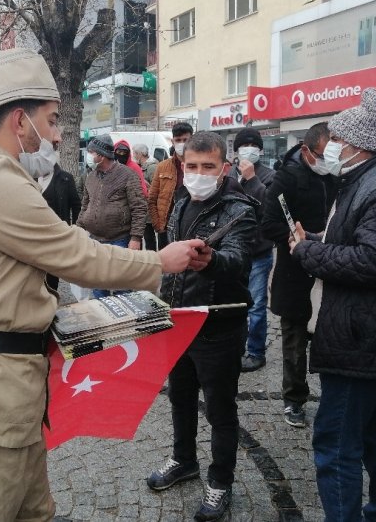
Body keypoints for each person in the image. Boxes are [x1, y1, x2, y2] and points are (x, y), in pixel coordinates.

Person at [0, 48, 207, 522]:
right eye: (50, 120)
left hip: (4, 392)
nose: (57, 134)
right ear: (19, 121)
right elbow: (76, 254)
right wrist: (160, 260)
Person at [289, 88, 376, 521]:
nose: (329, 146)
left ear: (354, 146)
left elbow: (374, 261)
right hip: (365, 332)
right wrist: (316, 240)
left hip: (362, 338)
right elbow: (359, 241)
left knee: (334, 445)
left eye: (334, 138)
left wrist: (307, 254)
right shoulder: (363, 180)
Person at [146, 131, 257, 522]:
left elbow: (238, 260)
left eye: (207, 167)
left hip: (218, 328)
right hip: (178, 323)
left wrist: (212, 261)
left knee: (221, 411)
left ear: (223, 168)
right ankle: (184, 459)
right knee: (180, 398)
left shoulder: (240, 210)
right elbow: (171, 266)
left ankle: (220, 481)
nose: (198, 174)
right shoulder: (179, 204)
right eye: (191, 166)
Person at [260, 122, 335, 428]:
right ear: (307, 151)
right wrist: (298, 239)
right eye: (324, 155)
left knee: (330, 340)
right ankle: (294, 400)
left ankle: (332, 399)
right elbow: (268, 224)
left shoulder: (338, 175)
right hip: (294, 273)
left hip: (330, 271)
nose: (330, 161)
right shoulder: (287, 178)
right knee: (294, 343)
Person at [227, 128, 276, 373]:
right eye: (243, 145)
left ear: (260, 150)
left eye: (253, 145)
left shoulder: (269, 177)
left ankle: (256, 351)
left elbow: (269, 212)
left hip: (259, 252)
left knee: (256, 305)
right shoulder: (228, 177)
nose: (248, 149)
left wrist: (253, 180)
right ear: (235, 151)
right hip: (233, 252)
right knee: (235, 303)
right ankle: (235, 346)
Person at [76, 134, 147, 298]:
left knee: (122, 285)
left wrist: (135, 238)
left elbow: (139, 207)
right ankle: (104, 317)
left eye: (91, 152)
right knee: (98, 283)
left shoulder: (128, 175)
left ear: (101, 155)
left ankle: (125, 320)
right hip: (95, 240)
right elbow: (86, 204)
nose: (89, 156)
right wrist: (78, 230)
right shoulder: (91, 176)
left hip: (120, 239)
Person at [148, 122, 194, 249]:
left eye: (185, 140)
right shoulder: (162, 167)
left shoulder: (199, 165)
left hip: (191, 227)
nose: (182, 143)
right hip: (166, 228)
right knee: (167, 266)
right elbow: (152, 198)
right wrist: (158, 225)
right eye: (178, 140)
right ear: (173, 142)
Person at [40, 161, 81, 290]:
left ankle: (52, 297)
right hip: (35, 231)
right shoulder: (28, 177)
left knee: (53, 269)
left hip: (56, 233)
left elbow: (76, 205)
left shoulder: (65, 178)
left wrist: (75, 229)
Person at [135, 143, 159, 250]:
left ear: (140, 154)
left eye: (135, 153)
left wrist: (144, 184)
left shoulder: (152, 167)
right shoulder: (141, 167)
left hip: (149, 209)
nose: (134, 156)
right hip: (143, 209)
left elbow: (157, 188)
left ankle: (152, 258)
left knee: (149, 238)